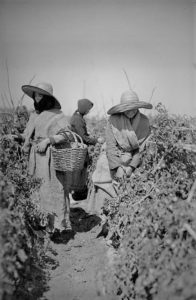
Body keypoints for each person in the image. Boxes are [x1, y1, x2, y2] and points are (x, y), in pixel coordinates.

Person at [12, 82, 73, 232]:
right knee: (37, 189)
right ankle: (40, 222)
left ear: (47, 98)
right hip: (35, 158)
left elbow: (67, 134)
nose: (37, 98)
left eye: (41, 95)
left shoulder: (57, 115)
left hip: (49, 159)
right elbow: (28, 135)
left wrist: (48, 140)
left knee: (51, 188)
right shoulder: (34, 114)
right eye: (36, 95)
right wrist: (17, 136)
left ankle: (55, 225)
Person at [87, 89, 153, 217]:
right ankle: (104, 217)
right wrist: (117, 167)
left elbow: (140, 149)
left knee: (134, 184)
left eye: (133, 108)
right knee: (104, 176)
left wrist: (131, 167)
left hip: (133, 158)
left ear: (138, 107)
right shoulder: (114, 120)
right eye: (127, 108)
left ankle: (125, 216)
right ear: (122, 109)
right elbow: (111, 146)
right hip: (113, 156)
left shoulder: (144, 121)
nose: (130, 111)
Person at [70, 98, 104, 201]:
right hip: (78, 149)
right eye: (88, 109)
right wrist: (96, 140)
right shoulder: (77, 119)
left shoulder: (78, 117)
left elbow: (83, 135)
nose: (89, 111)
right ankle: (77, 195)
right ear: (83, 108)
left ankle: (78, 194)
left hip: (78, 148)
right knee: (78, 173)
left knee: (79, 173)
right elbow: (83, 137)